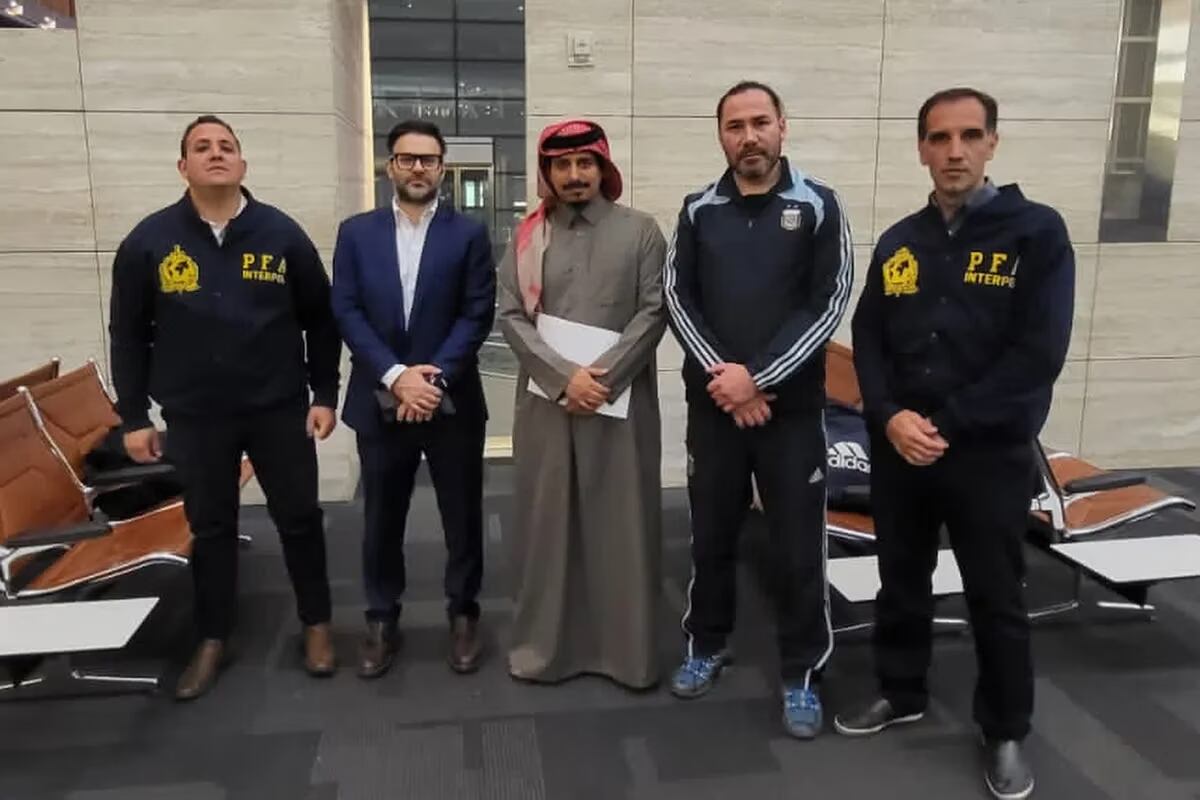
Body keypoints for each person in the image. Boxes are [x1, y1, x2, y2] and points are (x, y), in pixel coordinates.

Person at [835, 87, 1074, 800]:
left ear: (993, 143)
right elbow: (869, 337)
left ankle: (1004, 730)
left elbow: (1038, 353)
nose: (954, 151)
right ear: (921, 148)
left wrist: (949, 423)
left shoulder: (1036, 232)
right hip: (901, 448)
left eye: (970, 136)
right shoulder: (901, 241)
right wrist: (887, 415)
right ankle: (901, 689)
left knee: (995, 595)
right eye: (939, 138)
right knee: (900, 577)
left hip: (986, 455)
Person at [109, 115, 343, 700]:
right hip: (196, 416)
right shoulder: (149, 241)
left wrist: (324, 395)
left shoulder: (281, 234)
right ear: (183, 166)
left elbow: (321, 318)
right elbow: (128, 335)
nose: (216, 154)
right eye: (201, 147)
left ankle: (317, 624)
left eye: (227, 146)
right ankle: (213, 636)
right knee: (210, 527)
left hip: (277, 409)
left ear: (243, 164)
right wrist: (134, 417)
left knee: (300, 520)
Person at [664, 81, 853, 739]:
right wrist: (729, 382)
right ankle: (707, 641)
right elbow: (679, 302)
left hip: (791, 412)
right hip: (715, 409)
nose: (748, 136)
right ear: (721, 135)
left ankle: (803, 669)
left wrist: (760, 378)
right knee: (711, 537)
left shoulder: (820, 205)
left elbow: (828, 305)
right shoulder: (697, 211)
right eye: (735, 125)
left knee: (798, 547)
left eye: (760, 123)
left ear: (782, 127)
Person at [498, 118, 667, 689]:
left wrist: (604, 378)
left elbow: (654, 311)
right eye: (562, 165)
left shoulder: (642, 231)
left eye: (584, 163)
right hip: (548, 405)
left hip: (619, 405)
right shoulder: (527, 236)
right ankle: (544, 652)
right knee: (546, 528)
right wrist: (563, 379)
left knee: (621, 527)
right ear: (547, 173)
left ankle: (627, 657)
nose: (574, 175)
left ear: (603, 168)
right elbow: (511, 316)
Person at [331, 119, 496, 678]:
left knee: (463, 517)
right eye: (407, 158)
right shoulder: (355, 233)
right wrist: (398, 375)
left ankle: (464, 613)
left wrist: (433, 380)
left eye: (428, 159)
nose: (418, 168)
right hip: (381, 395)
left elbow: (477, 313)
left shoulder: (469, 233)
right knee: (381, 517)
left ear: (442, 168)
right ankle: (381, 618)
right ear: (390, 166)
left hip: (452, 400)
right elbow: (347, 310)